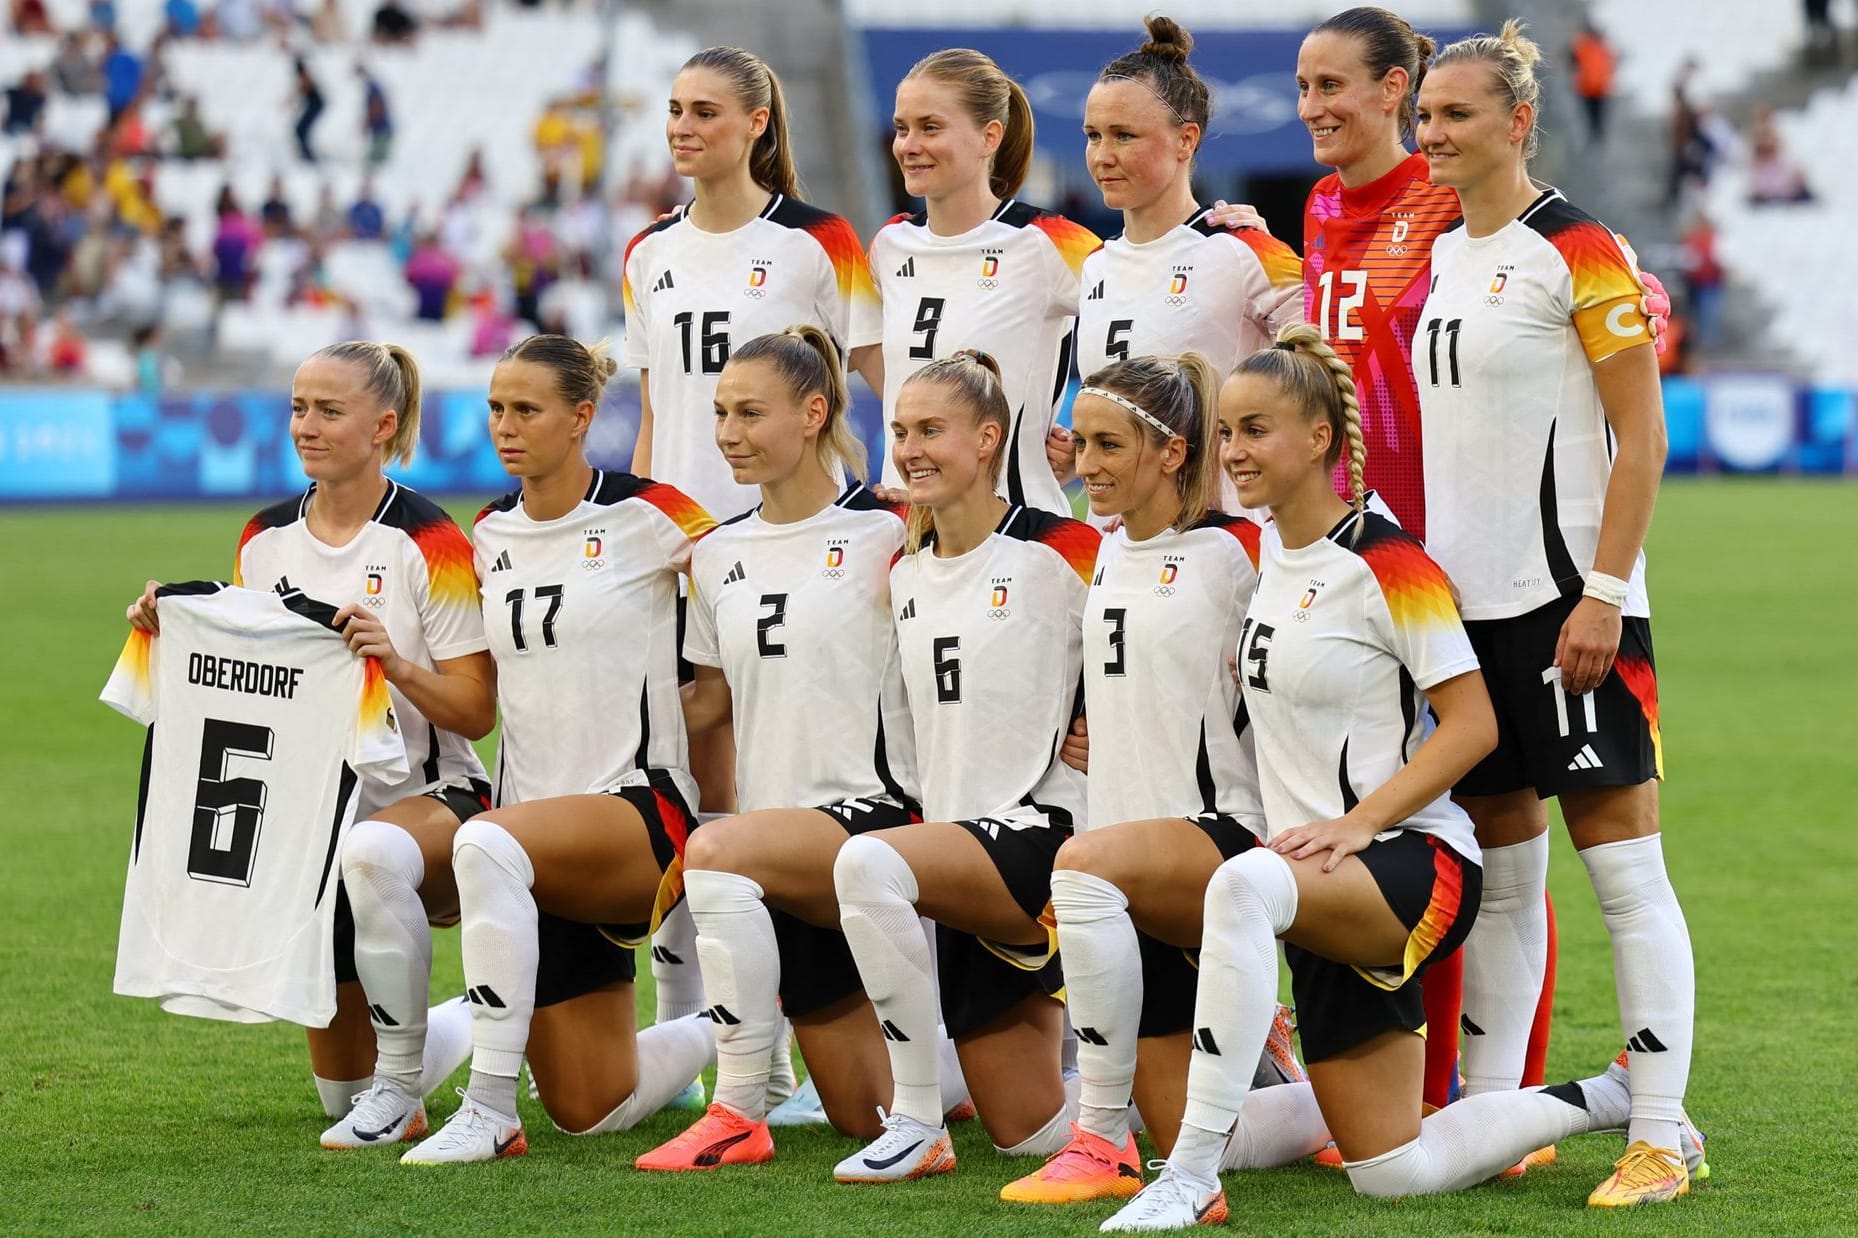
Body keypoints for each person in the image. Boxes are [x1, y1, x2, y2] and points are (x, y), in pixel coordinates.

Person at [1099, 324, 1693, 1232]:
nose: (1235, 452)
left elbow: (1473, 724)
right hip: (1319, 884)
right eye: (1227, 433)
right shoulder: (1263, 563)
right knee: (1391, 1171)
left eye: (1257, 430)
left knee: (1243, 882)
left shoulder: (1389, 560)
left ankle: (1188, 1181)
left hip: (1412, 867)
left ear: (1320, 439)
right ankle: (1614, 1094)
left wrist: (1359, 821)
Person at [1208, 7, 1556, 1125]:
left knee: (1483, 820)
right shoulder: (1317, 207)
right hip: (1344, 558)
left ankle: (1495, 1087)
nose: (1312, 106)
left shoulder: (1445, 196)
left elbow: (1541, 260)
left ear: (1398, 88)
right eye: (1302, 86)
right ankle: (1413, 1082)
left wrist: (1637, 297)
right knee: (1388, 814)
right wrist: (1255, 247)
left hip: (1445, 552)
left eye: (1334, 86)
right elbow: (1325, 330)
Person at [1413, 24, 1698, 1207]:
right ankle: (1495, 1117)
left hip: (1569, 608)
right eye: (1425, 115)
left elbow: (1645, 436)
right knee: (1507, 876)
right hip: (1465, 614)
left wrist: (1603, 593)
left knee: (1624, 870)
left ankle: (1662, 1130)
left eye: (1457, 115)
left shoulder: (1578, 250)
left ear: (1518, 120)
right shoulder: (1442, 253)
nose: (1432, 134)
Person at [124, 341, 494, 1137]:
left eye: (329, 410)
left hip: (439, 803)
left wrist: (392, 661)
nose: (306, 426)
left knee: (368, 854)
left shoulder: (431, 542)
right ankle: (472, 1022)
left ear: (382, 425)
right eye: (298, 407)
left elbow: (476, 710)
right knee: (337, 1096)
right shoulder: (263, 539)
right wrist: (178, 624)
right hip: (314, 820)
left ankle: (406, 1083)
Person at [621, 45, 884, 1105]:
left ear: (758, 119)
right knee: (683, 787)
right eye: (673, 110)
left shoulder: (817, 238)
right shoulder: (648, 250)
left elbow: (871, 376)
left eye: (704, 111)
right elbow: (653, 405)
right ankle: (706, 1032)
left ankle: (811, 1035)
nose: (683, 128)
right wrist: (643, 519)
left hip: (790, 538)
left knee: (780, 788)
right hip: (686, 551)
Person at [997, 352, 1314, 1207]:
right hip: (1124, 853)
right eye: (1082, 443)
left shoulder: (1238, 551)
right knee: (1201, 1140)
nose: (1085, 464)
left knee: (1083, 868)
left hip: (1221, 838)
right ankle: (1325, 1102)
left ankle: (1098, 1141)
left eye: (1107, 446)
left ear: (1172, 454)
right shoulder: (1099, 551)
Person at [400, 335, 718, 1163]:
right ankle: (730, 1025)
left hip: (637, 810)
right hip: (532, 837)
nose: (505, 426)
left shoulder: (654, 513)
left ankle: (489, 1107)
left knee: (485, 838)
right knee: (588, 1107)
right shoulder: (487, 532)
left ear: (581, 418)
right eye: (496, 409)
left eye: (526, 410)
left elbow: (755, 561)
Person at [631, 326, 919, 1170]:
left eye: (750, 413)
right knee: (866, 1115)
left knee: (714, 853)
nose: (727, 433)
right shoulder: (714, 552)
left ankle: (736, 1105)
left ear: (814, 412)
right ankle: (951, 1058)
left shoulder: (895, 531)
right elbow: (713, 697)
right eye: (720, 412)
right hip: (782, 850)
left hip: (882, 820)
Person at [830, 351, 1098, 1182]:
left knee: (865, 862)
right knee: (1026, 1133)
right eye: (901, 431)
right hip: (956, 848)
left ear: (989, 439)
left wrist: (1104, 726)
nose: (909, 449)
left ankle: (916, 1122)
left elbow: (1153, 649)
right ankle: (1260, 1093)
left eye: (931, 431)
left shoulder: (1067, 550)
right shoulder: (904, 570)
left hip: (1049, 835)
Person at [860, 49, 1101, 516]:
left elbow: (1149, 303)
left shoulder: (1047, 241)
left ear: (989, 137)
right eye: (902, 127)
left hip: (1016, 531)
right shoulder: (890, 244)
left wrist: (1090, 441)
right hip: (907, 531)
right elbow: (867, 353)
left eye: (930, 127)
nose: (908, 144)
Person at [1073, 18, 1302, 466]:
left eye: (1124, 135)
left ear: (1186, 139)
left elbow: (1328, 375)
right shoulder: (1095, 263)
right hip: (1116, 534)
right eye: (1093, 136)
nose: (1103, 155)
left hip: (1222, 527)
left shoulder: (1244, 249)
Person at [1567, 19, 1615, 146]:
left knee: (1591, 119)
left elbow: (1571, 60)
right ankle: (1594, 141)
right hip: (1594, 89)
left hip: (1591, 89)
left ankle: (1593, 141)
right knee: (1594, 120)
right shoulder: (1601, 48)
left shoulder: (1584, 46)